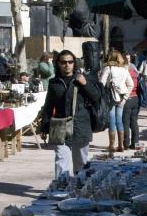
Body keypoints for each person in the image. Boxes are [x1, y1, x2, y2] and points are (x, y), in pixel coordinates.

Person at [39, 49, 102, 178]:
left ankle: (79, 188)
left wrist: (85, 84)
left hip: (81, 125)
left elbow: (96, 97)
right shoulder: (53, 83)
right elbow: (48, 106)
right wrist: (44, 127)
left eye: (70, 62)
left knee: (81, 162)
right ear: (58, 64)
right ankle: (61, 187)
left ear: (74, 63)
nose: (67, 65)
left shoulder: (82, 79)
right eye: (63, 62)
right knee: (61, 159)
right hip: (60, 126)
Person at [100, 50, 134, 152]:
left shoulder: (108, 68)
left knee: (112, 121)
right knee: (119, 120)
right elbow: (131, 84)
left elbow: (101, 83)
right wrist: (125, 97)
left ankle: (111, 145)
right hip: (121, 98)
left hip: (111, 98)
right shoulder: (124, 69)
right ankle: (121, 145)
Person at [122, 54, 140, 150]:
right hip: (136, 98)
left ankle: (126, 144)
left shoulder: (124, 73)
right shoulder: (133, 71)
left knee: (125, 122)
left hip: (127, 99)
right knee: (134, 122)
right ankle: (135, 143)